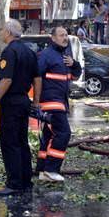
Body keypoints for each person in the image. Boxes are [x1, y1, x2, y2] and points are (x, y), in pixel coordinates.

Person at [0, 19, 42, 196]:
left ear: (9, 33)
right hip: (24, 102)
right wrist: (36, 102)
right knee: (22, 142)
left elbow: (6, 79)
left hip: (11, 102)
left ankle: (14, 183)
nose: (1, 33)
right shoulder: (29, 52)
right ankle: (26, 181)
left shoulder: (9, 52)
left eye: (3, 30)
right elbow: (37, 79)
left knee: (10, 143)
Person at [36, 27, 82, 182]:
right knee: (63, 133)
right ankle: (51, 169)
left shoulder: (65, 56)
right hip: (51, 103)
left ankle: (42, 170)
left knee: (50, 135)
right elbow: (36, 77)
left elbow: (75, 77)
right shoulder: (46, 55)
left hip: (60, 102)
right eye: (62, 35)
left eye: (66, 35)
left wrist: (74, 64)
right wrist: (36, 102)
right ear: (53, 38)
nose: (65, 38)